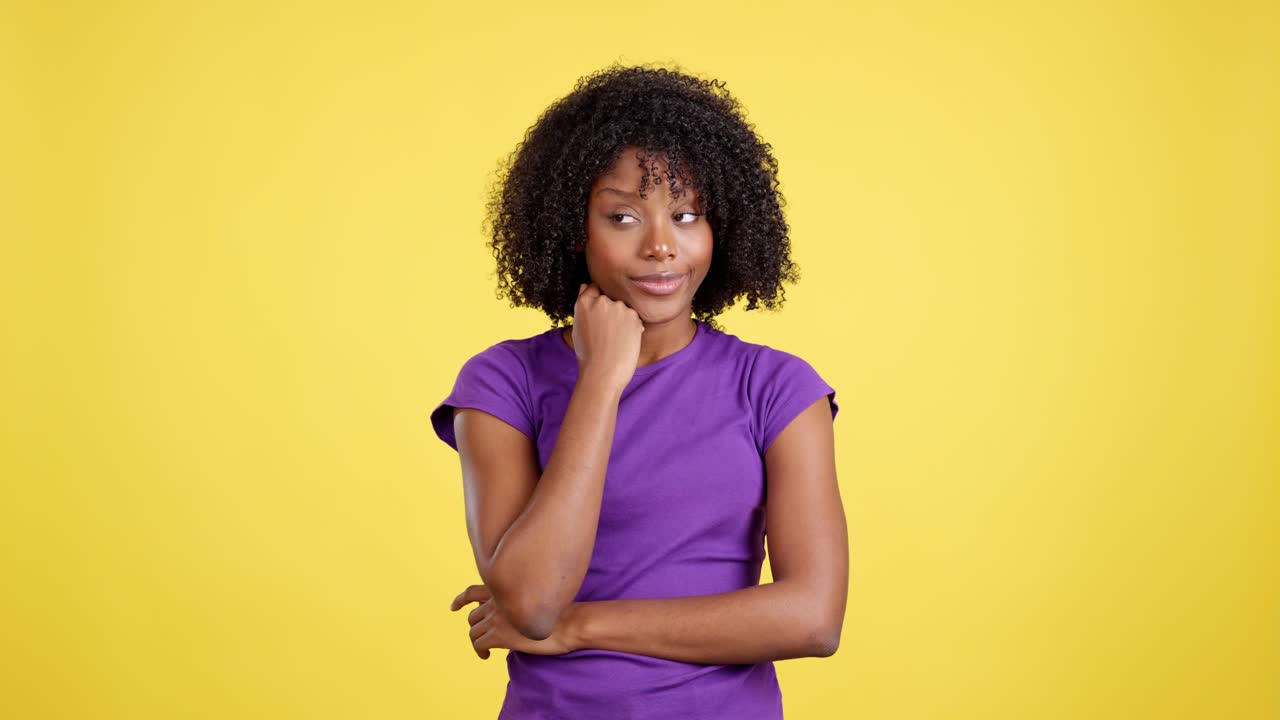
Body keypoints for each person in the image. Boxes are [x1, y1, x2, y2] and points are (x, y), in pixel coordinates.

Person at [431, 62, 847, 720]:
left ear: (720, 228)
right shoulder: (501, 383)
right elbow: (534, 600)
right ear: (575, 228)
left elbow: (813, 618)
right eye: (623, 216)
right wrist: (600, 378)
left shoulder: (777, 389)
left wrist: (582, 627)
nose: (661, 245)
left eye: (686, 215)